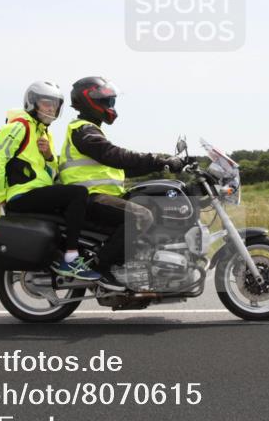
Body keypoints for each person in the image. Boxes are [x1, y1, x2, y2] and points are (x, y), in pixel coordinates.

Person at [58, 76, 184, 288]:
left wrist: (162, 166)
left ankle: (143, 265)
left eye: (111, 101)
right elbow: (113, 155)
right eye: (106, 101)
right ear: (90, 101)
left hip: (104, 196)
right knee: (141, 216)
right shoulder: (82, 130)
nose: (110, 105)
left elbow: (124, 166)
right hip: (90, 197)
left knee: (153, 204)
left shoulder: (91, 130)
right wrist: (158, 159)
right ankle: (102, 267)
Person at [0, 80, 99, 281]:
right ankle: (71, 258)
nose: (51, 108)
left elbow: (51, 171)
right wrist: (1, 197)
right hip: (22, 194)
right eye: (46, 103)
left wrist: (48, 156)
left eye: (55, 105)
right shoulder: (19, 127)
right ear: (32, 103)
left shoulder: (44, 133)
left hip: (37, 191)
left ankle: (70, 255)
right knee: (78, 194)